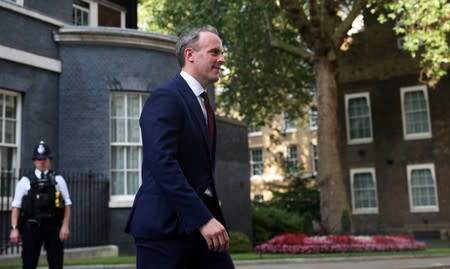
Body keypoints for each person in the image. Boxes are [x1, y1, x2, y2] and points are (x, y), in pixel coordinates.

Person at [125, 25, 234, 269]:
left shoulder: (203, 104)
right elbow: (163, 163)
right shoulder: (166, 97)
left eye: (222, 53)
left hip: (200, 224)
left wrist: (208, 217)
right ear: (190, 55)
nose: (222, 59)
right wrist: (203, 218)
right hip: (165, 228)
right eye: (215, 52)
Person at [10, 141, 72, 269]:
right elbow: (16, 207)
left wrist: (65, 226)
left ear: (49, 160)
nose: (41, 162)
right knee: (29, 263)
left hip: (53, 226)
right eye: (38, 159)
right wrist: (14, 228)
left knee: (56, 264)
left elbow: (67, 204)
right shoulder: (25, 181)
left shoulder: (58, 179)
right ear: (34, 161)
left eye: (44, 159)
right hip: (31, 227)